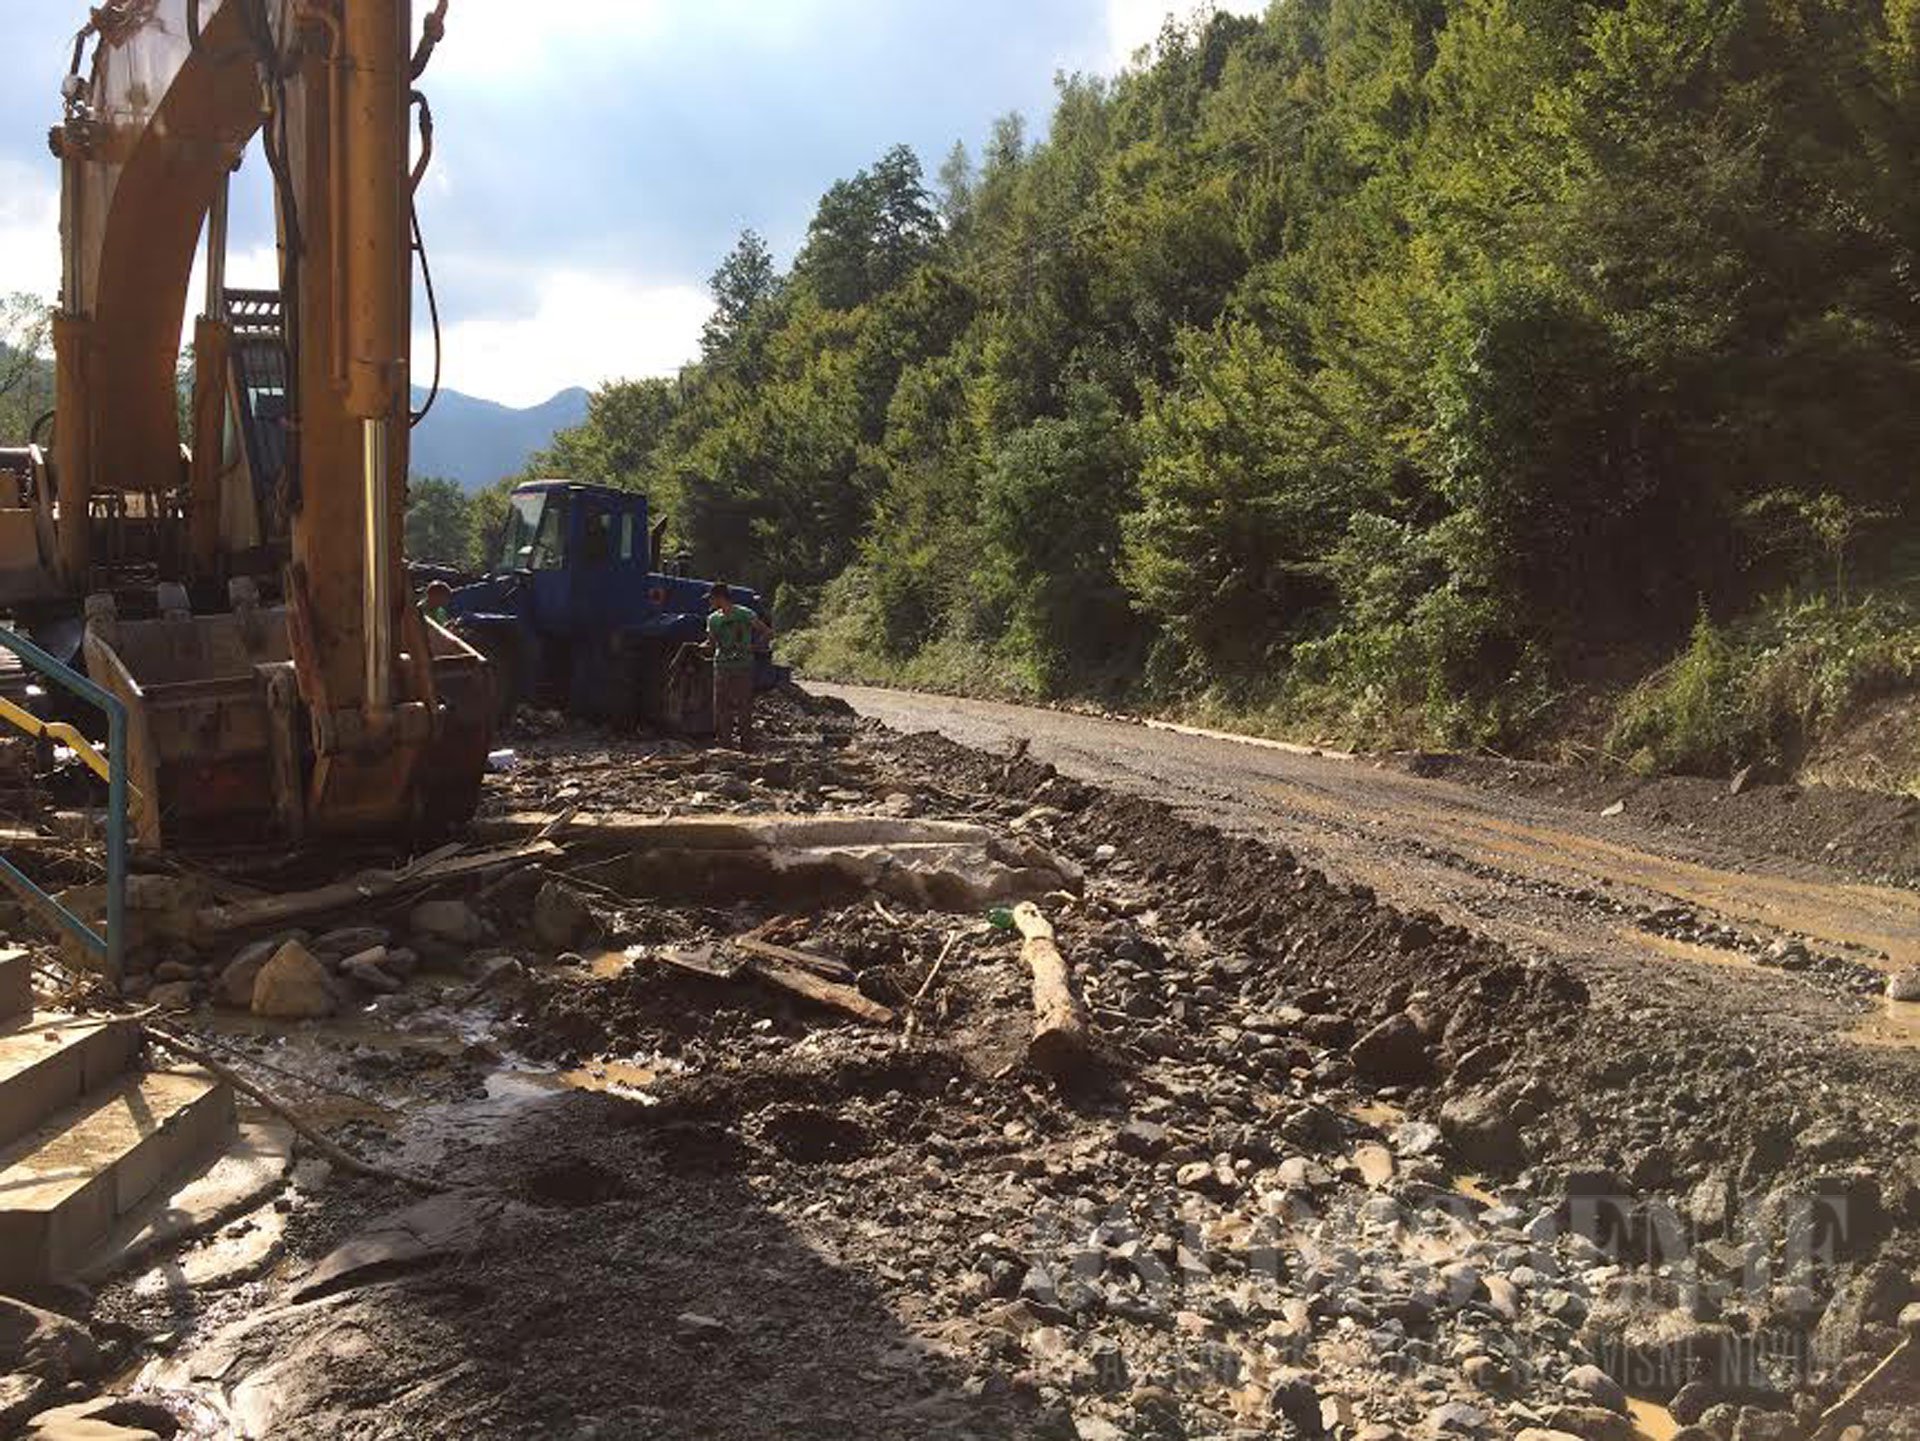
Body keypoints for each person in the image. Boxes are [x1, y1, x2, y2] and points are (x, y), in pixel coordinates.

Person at [704, 582, 772, 750]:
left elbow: (767, 632)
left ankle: (746, 746)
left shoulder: (744, 614)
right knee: (722, 708)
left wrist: (755, 647)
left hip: (743, 666)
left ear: (719, 598)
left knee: (744, 707)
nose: (710, 602)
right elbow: (711, 643)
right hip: (721, 666)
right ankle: (725, 746)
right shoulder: (713, 619)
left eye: (711, 598)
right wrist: (700, 647)